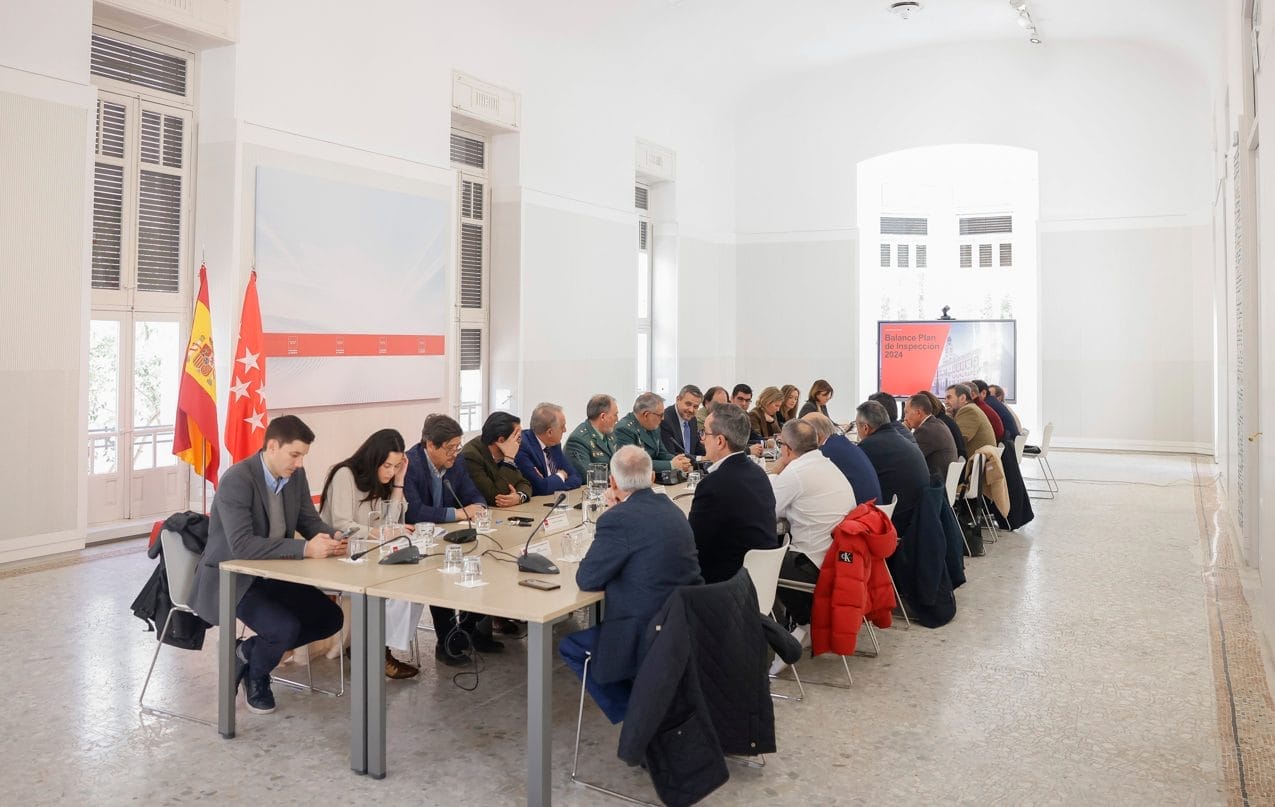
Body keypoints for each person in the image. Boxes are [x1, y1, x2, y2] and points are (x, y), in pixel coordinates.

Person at [188, 415, 347, 715]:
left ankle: (247, 653)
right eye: (295, 455)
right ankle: (258, 674)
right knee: (284, 629)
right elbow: (242, 545)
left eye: (303, 456)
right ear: (272, 446)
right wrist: (305, 548)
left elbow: (308, 520)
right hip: (234, 577)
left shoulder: (294, 476)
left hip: (275, 572)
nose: (299, 463)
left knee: (330, 618)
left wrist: (334, 536)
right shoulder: (237, 479)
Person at [558, 446, 703, 723]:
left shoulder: (617, 519)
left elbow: (587, 578)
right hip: (684, 621)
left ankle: (636, 716)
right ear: (652, 478)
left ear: (612, 482)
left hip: (645, 631)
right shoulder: (672, 509)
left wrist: (614, 514)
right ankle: (647, 710)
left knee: (571, 647)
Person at [320, 428, 424, 680]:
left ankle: (375, 647)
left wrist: (399, 482)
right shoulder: (344, 474)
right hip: (340, 556)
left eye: (396, 466)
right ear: (373, 458)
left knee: (415, 582)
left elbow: (391, 521)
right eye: (387, 466)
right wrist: (381, 533)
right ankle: (375, 650)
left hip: (371, 555)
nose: (390, 472)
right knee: (392, 588)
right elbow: (341, 525)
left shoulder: (388, 481)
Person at [403, 413, 505, 665]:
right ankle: (447, 643)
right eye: (450, 448)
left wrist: (479, 508)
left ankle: (469, 632)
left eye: (458, 447)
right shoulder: (410, 464)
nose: (455, 453)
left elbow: (473, 495)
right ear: (430, 445)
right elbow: (413, 511)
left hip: (450, 538)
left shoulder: (456, 463)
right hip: (420, 543)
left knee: (487, 562)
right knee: (441, 576)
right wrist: (457, 513)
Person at [768, 419, 855, 639]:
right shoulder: (826, 464)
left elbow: (766, 509)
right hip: (840, 558)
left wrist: (776, 469)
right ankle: (800, 622)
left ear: (787, 449)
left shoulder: (796, 472)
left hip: (813, 564)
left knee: (758, 565)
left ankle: (798, 627)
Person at [688, 403, 778, 583]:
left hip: (726, 584)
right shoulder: (758, 473)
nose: (702, 439)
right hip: (761, 578)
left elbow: (692, 543)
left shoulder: (713, 485)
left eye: (705, 433)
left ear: (720, 441)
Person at [855, 400, 931, 537]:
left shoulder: (868, 447)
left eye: (857, 426)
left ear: (865, 428)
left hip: (897, 522)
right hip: (918, 517)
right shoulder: (900, 439)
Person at [803, 412, 881, 506]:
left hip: (861, 511)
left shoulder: (825, 454)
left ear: (816, 436)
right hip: (873, 509)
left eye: (802, 436)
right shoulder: (841, 443)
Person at [461, 411, 532, 507]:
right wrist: (509, 459)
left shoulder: (505, 451)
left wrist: (518, 497)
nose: (520, 442)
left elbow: (524, 483)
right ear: (501, 440)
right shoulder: (471, 455)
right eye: (517, 438)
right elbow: (494, 497)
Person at [615, 392, 693, 474]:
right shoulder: (624, 429)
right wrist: (671, 465)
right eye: (660, 415)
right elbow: (633, 464)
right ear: (646, 415)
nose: (663, 418)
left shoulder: (652, 426)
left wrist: (679, 460)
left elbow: (662, 453)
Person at [515, 402, 582, 495]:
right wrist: (561, 475)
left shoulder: (554, 444)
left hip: (553, 499)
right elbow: (541, 488)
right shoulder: (522, 446)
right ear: (549, 432)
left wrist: (554, 485)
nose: (565, 430)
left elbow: (576, 477)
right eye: (562, 427)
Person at [903, 393, 958, 483]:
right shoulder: (937, 423)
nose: (905, 418)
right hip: (942, 480)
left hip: (935, 484)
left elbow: (907, 458)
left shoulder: (926, 430)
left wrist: (903, 431)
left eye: (906, 412)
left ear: (918, 413)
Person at [565, 394, 620, 478]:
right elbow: (589, 474)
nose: (617, 419)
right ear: (603, 417)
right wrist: (622, 477)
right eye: (615, 415)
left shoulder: (609, 433)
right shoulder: (578, 440)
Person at [946, 383, 996, 456]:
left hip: (975, 459)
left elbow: (958, 440)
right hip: (980, 457)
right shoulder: (970, 408)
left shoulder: (968, 410)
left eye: (949, 397)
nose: (946, 401)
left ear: (962, 398)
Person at [660, 384, 705, 458]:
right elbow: (670, 454)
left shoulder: (693, 419)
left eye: (695, 407)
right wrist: (699, 459)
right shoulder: (665, 419)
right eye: (688, 404)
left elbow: (696, 447)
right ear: (678, 399)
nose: (691, 410)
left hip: (691, 464)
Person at [920, 389, 967, 459]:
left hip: (947, 463)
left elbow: (915, 454)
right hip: (956, 460)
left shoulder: (933, 426)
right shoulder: (943, 419)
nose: (946, 401)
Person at [968, 379, 1005, 443]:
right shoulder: (989, 402)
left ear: (983, 393)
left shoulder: (984, 405)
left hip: (997, 444)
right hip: (1004, 443)